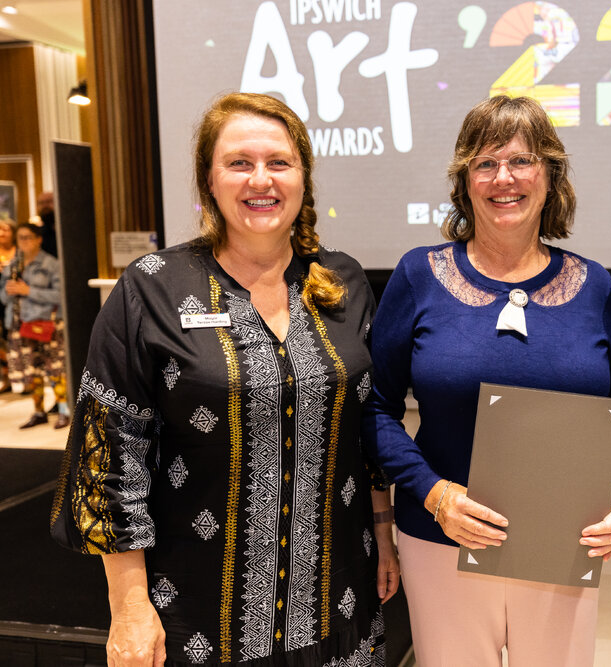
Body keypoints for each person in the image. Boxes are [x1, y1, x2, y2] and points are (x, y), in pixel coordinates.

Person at [50, 92, 399, 666]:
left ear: (303, 177)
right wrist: (129, 607)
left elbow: (364, 431)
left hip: (340, 603)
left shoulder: (344, 281)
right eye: (239, 162)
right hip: (200, 616)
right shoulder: (152, 288)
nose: (260, 179)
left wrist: (383, 533)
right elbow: (110, 456)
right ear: (209, 181)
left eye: (279, 162)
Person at [364, 95, 611, 667]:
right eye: (485, 163)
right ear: (464, 181)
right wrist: (436, 496)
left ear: (551, 175)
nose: (503, 178)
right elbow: (376, 410)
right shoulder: (419, 275)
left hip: (560, 542)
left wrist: (600, 495)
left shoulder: (593, 286)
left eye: (522, 161)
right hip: (441, 539)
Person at [0, 222, 69, 427]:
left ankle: (64, 411)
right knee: (32, 371)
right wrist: (9, 291)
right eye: (20, 238)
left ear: (39, 239)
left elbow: (60, 295)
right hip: (19, 326)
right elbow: (3, 297)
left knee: (55, 370)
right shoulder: (14, 265)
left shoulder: (50, 264)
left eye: (28, 237)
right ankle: (39, 412)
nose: (24, 242)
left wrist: (28, 291)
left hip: (46, 324)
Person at [0, 218, 16, 393]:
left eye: (5, 229)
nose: (1, 233)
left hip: (12, 302)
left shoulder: (18, 252)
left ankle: (19, 376)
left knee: (11, 339)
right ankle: (6, 377)